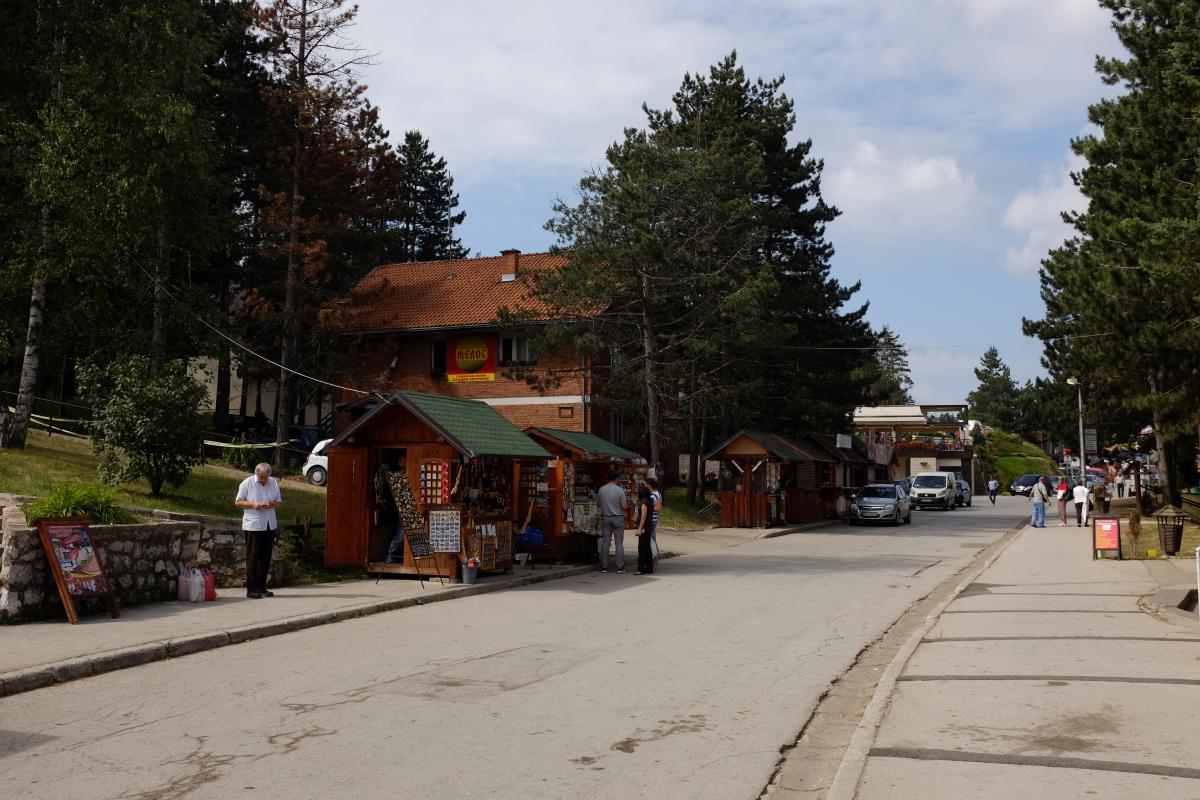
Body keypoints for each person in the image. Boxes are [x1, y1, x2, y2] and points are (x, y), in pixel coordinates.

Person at [235, 463, 282, 599]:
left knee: (265, 557)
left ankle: (262, 587)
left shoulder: (273, 482)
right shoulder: (247, 483)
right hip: (254, 524)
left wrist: (273, 504)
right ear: (256, 474)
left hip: (269, 523)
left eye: (266, 477)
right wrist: (254, 505)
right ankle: (251, 588)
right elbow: (238, 502)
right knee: (253, 557)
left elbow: (279, 500)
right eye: (261, 477)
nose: (264, 480)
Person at [597, 469, 628, 574]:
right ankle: (620, 566)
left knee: (606, 542)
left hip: (606, 517)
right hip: (618, 517)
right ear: (617, 478)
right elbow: (624, 506)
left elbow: (598, 504)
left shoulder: (601, 489)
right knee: (619, 543)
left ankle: (604, 566)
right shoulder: (620, 490)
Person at [635, 482, 656, 575]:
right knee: (647, 548)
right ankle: (649, 567)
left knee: (642, 548)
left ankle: (640, 568)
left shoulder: (644, 502)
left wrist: (639, 528)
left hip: (644, 527)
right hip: (649, 526)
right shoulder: (650, 500)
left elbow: (643, 516)